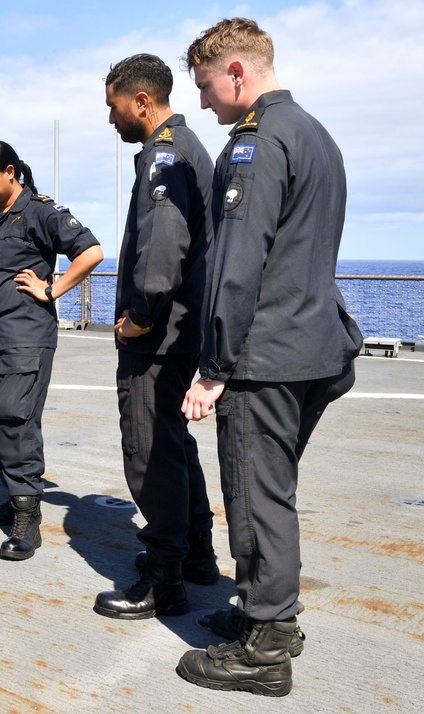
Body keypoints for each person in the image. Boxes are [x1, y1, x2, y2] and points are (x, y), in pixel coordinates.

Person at [177, 18, 362, 696]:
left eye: (204, 87)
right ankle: (272, 616)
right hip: (316, 346)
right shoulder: (317, 134)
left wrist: (214, 368)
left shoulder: (255, 143)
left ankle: (264, 645)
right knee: (273, 492)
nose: (202, 104)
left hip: (267, 357)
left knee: (255, 497)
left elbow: (238, 263)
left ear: (236, 72)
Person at [93, 54, 217, 621]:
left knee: (148, 451)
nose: (112, 118)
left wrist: (140, 316)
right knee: (172, 443)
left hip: (158, 336)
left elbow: (162, 248)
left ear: (142, 101)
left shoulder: (164, 157)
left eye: (115, 106)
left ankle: (164, 580)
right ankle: (195, 553)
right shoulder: (185, 149)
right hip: (184, 328)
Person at [0, 140, 104, 560]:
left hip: (25, 335)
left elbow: (91, 251)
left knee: (15, 418)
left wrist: (52, 289)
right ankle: (15, 494)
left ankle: (27, 518)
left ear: (10, 172)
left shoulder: (40, 211)